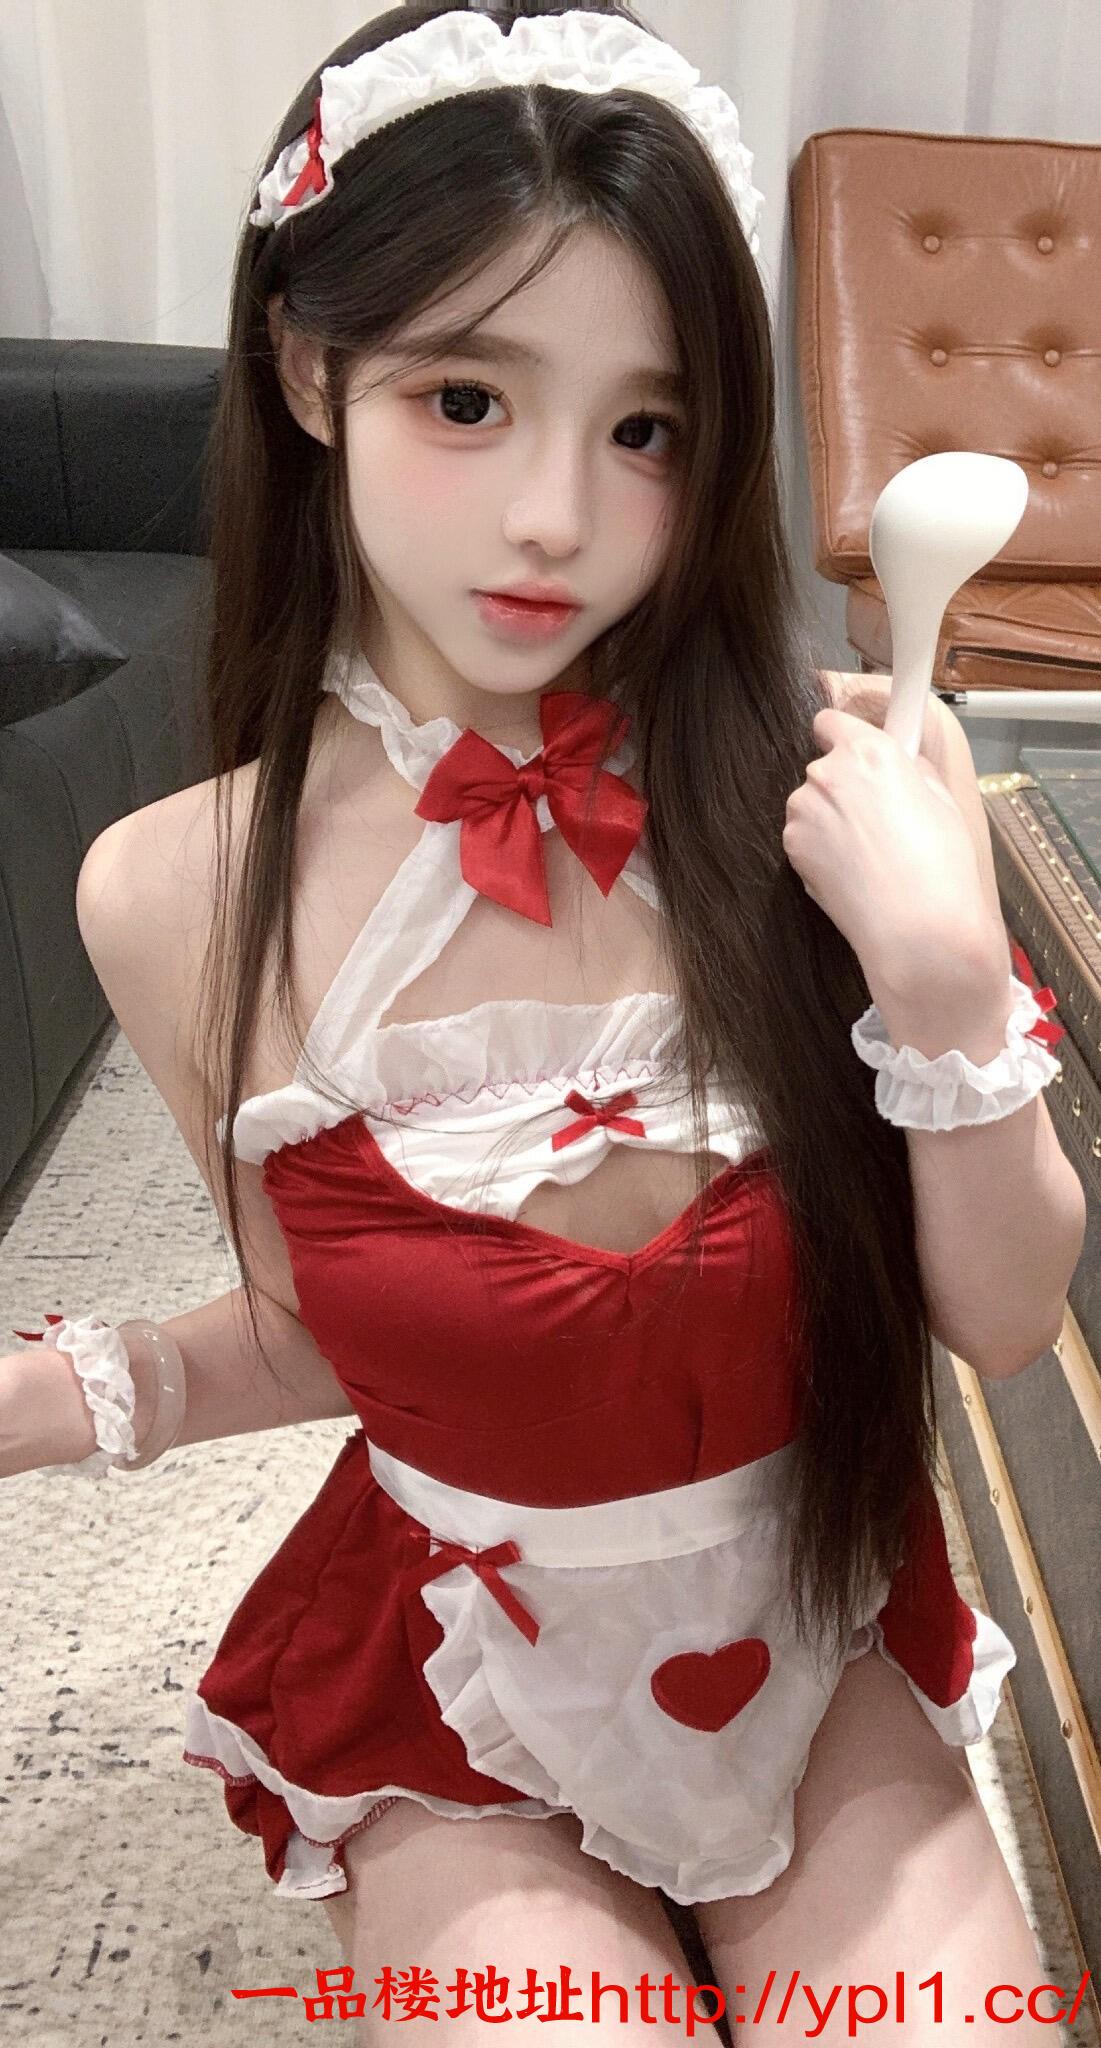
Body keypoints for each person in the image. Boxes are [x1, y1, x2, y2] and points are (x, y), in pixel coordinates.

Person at [3, 5, 1082, 2041]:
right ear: (308, 372)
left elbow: (1004, 1319)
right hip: (458, 1658)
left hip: (806, 1613)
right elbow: (336, 1328)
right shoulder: (171, 893)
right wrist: (67, 1395)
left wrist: (942, 979)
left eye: (644, 429)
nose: (554, 519)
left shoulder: (842, 786)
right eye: (469, 397)